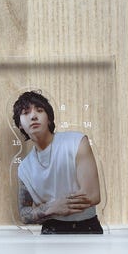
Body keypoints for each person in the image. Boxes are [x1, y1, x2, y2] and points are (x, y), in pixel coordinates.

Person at [12, 91, 103, 234]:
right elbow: (24, 214)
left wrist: (44, 209)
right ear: (20, 125)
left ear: (49, 119)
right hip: (51, 230)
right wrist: (53, 207)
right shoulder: (24, 168)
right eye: (26, 112)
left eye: (39, 110)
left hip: (87, 228)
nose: (33, 116)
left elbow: (92, 195)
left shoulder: (76, 142)